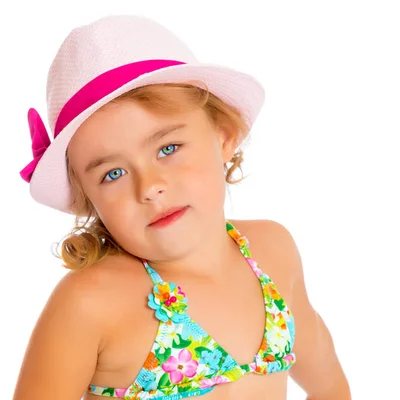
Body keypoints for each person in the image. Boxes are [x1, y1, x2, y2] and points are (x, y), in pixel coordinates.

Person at [13, 14, 351, 400]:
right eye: (113, 174)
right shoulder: (90, 303)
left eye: (167, 149)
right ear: (88, 199)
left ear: (223, 136)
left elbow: (330, 385)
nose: (151, 187)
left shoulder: (273, 251)